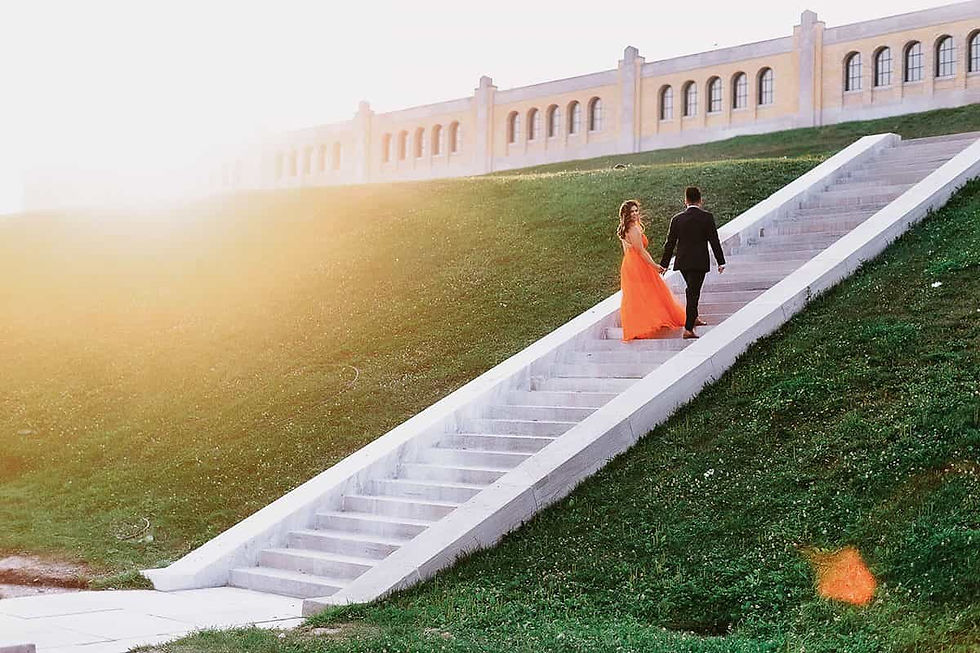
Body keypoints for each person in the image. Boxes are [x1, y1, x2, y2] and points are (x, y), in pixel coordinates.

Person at [659, 186, 726, 339]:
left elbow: (670, 243)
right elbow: (714, 241)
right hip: (699, 262)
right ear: (700, 201)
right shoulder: (707, 217)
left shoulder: (677, 219)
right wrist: (721, 261)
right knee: (693, 292)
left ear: (685, 201)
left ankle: (693, 317)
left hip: (683, 262)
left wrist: (664, 264)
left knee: (692, 289)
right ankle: (688, 328)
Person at [617, 199, 686, 341]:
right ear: (627, 214)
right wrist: (655, 266)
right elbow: (641, 251)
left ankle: (640, 326)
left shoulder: (625, 228)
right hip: (637, 264)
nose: (636, 213)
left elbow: (627, 251)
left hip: (629, 264)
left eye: (636, 210)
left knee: (636, 295)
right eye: (632, 211)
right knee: (649, 292)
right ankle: (650, 323)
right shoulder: (634, 229)